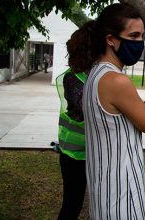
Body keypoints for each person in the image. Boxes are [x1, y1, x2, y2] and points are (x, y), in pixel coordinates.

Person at [66, 3, 145, 219]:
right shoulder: (117, 80)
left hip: (104, 188)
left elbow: (115, 118)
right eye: (134, 36)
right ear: (111, 39)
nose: (140, 43)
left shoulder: (96, 74)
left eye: (142, 36)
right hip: (122, 192)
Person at [55, 67, 87, 219]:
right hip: (73, 154)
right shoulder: (74, 78)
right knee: (72, 205)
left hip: (87, 153)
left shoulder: (94, 77)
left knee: (76, 203)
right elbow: (89, 108)